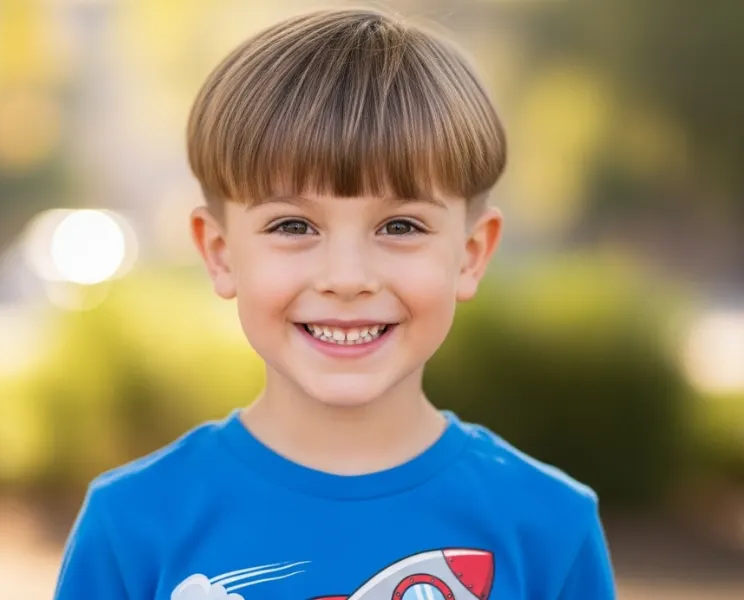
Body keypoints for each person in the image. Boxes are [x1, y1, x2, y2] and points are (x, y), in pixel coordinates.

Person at [54, 8, 616, 600]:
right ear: (220, 253)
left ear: (471, 254)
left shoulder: (551, 528)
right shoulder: (132, 526)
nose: (346, 279)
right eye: (294, 225)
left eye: (400, 226)